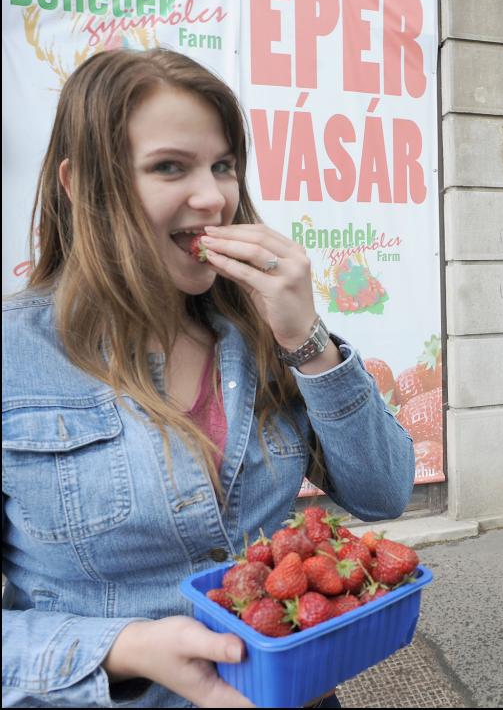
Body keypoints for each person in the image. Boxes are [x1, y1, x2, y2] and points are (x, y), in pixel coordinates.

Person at [2, 48, 415, 708]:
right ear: (81, 185)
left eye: (223, 165)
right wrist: (125, 647)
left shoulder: (261, 329)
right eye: (170, 167)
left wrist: (307, 343)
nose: (215, 197)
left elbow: (384, 492)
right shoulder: (14, 355)